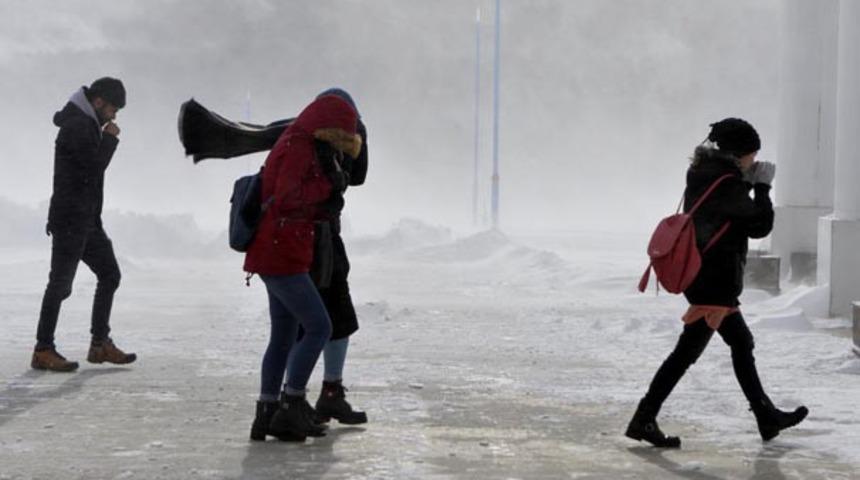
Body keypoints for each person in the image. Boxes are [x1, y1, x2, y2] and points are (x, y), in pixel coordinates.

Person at [625, 118, 808, 448]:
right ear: (738, 154)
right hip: (715, 282)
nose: (755, 161)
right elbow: (759, 225)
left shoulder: (704, 172)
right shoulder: (725, 182)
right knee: (688, 352)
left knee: (741, 344)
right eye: (752, 155)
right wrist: (763, 186)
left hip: (707, 278)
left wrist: (745, 182)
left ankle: (766, 418)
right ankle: (644, 417)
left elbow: (726, 213)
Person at [245, 94, 361, 442]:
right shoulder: (299, 146)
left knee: (283, 334)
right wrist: (327, 184)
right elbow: (288, 196)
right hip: (282, 251)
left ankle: (266, 412)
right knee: (319, 326)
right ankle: (291, 402)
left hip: (280, 250)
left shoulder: (299, 140)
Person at [32, 77, 137, 372]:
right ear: (99, 101)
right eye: (113, 108)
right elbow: (91, 169)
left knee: (109, 274)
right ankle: (43, 349)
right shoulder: (78, 125)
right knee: (60, 285)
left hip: (86, 219)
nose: (114, 115)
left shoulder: (86, 122)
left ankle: (99, 344)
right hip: (70, 219)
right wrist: (111, 140)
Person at [290, 88, 368, 426]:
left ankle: (329, 393)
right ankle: (291, 398)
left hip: (326, 241)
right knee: (306, 323)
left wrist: (359, 140)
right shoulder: (309, 145)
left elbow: (359, 176)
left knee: (338, 318)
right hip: (306, 241)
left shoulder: (331, 145)